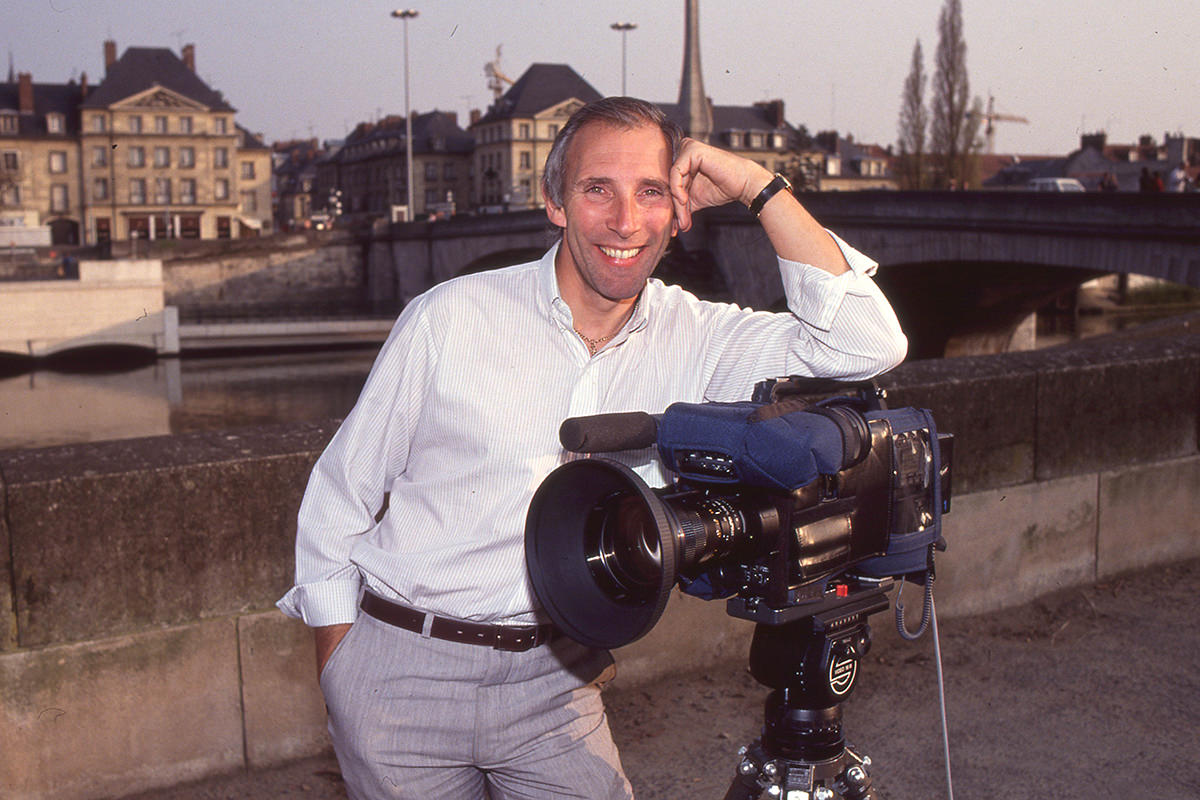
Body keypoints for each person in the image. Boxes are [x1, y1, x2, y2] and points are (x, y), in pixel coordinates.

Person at [277, 97, 907, 799]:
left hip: (556, 685)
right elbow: (340, 495)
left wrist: (754, 184)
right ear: (555, 202)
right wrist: (342, 671)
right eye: (596, 189)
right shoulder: (449, 319)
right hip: (402, 675)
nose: (624, 221)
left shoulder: (698, 336)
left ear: (679, 213)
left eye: (651, 193)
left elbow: (865, 346)